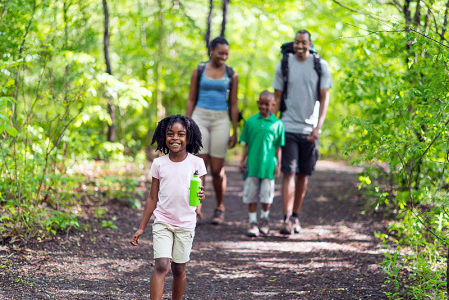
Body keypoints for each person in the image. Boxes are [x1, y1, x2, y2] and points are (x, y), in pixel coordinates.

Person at [130, 114, 207, 300]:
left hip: (186, 222)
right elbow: (152, 198)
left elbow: (198, 195)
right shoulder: (159, 164)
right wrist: (142, 227)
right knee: (162, 265)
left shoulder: (197, 163)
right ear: (163, 137)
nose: (175, 138)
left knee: (179, 269)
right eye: (170, 134)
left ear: (189, 138)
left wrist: (201, 199)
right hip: (163, 221)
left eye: (181, 134)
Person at [272, 30, 333, 235]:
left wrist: (319, 127)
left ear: (310, 44)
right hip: (287, 125)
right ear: (293, 43)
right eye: (297, 42)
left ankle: (295, 216)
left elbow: (324, 98)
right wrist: (271, 125)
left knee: (303, 175)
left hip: (310, 130)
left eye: (304, 42)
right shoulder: (284, 64)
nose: (300, 46)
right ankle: (286, 218)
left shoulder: (320, 65)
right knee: (288, 172)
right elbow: (277, 96)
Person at [186, 36, 239, 225]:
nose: (223, 56)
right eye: (220, 53)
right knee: (200, 167)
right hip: (200, 116)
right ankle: (196, 208)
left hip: (221, 119)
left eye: (226, 53)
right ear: (211, 50)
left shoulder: (232, 74)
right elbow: (191, 98)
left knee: (217, 169)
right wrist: (187, 124)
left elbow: (233, 104)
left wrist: (235, 130)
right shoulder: (199, 70)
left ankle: (219, 207)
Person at [239, 91, 284, 237]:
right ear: (258, 103)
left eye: (267, 104)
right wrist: (242, 160)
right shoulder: (250, 122)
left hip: (269, 167)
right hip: (252, 165)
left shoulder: (278, 124)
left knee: (266, 195)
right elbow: (246, 144)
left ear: (273, 105)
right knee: (251, 194)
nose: (263, 107)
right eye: (261, 103)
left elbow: (278, 147)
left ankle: (264, 219)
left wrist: (279, 165)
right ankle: (252, 222)